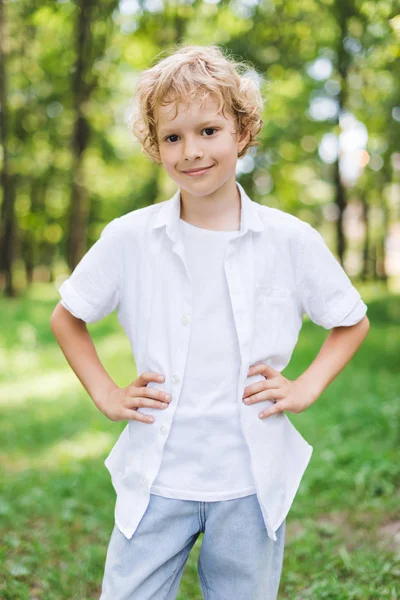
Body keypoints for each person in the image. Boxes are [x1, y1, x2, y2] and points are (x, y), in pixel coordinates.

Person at [50, 44, 370, 600]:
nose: (191, 151)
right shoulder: (130, 239)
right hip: (156, 477)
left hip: (250, 481)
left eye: (209, 131)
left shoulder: (290, 240)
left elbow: (350, 321)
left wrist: (306, 386)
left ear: (243, 133)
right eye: (173, 137)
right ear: (156, 146)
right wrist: (105, 393)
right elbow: (67, 316)